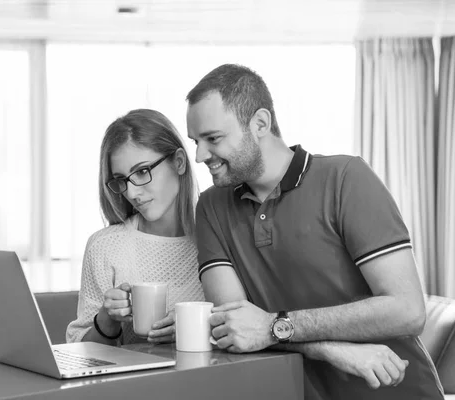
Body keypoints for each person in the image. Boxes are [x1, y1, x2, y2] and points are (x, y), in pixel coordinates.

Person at [185, 64, 444, 399]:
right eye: (196, 141)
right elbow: (240, 329)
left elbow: (408, 310)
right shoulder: (210, 207)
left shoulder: (346, 178)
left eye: (213, 138)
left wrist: (274, 327)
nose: (200, 155)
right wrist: (329, 347)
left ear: (260, 123)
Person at [66, 108, 205, 346]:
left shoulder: (219, 236)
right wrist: (107, 320)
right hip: (135, 383)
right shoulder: (105, 247)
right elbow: (80, 351)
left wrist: (197, 328)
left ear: (179, 162)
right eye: (121, 180)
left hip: (210, 377)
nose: (131, 193)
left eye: (142, 172)